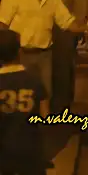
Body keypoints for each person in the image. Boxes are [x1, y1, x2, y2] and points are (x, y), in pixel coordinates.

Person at [0, 0, 86, 98]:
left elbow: (69, 24)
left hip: (45, 57)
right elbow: (2, 26)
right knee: (21, 98)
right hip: (20, 57)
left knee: (44, 97)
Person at [0, 30, 49, 175]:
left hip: (3, 152)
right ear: (19, 52)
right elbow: (44, 117)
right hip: (30, 149)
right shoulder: (34, 80)